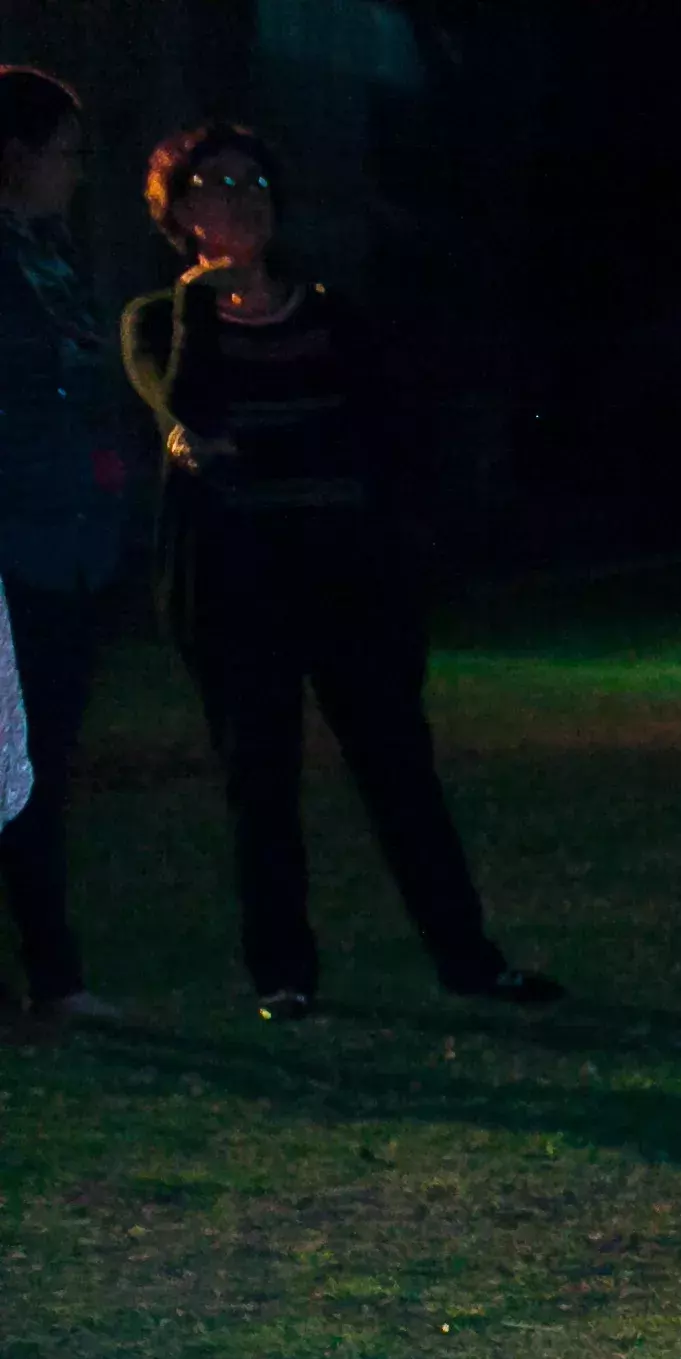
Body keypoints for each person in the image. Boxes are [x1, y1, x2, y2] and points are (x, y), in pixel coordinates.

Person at [121, 124, 554, 1022]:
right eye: (218, 184)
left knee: (400, 769)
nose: (242, 198)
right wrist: (203, 301)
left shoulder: (329, 315)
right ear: (181, 211)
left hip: (350, 583)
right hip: (236, 588)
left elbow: (391, 443)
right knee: (260, 777)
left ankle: (468, 958)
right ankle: (283, 973)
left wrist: (404, 565)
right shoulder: (159, 321)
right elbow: (192, 410)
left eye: (256, 181)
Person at [0, 67, 125, 1023]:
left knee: (45, 757)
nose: (78, 172)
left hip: (69, 541)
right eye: (67, 152)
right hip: (19, 542)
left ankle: (55, 971)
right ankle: (52, 972)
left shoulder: (54, 255)